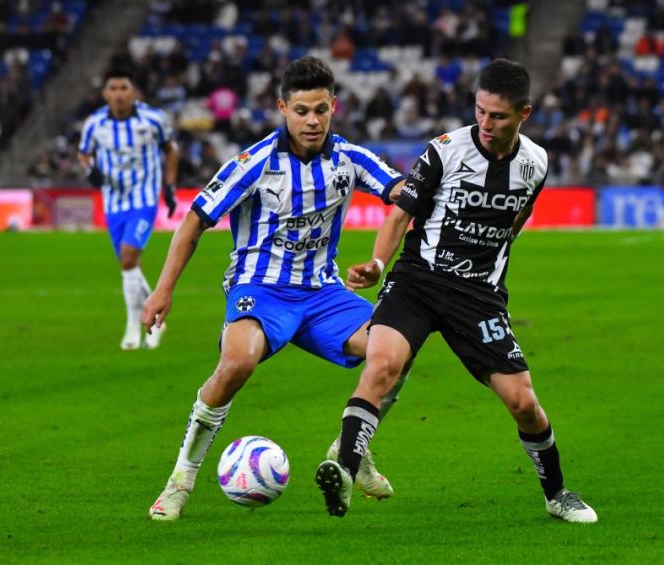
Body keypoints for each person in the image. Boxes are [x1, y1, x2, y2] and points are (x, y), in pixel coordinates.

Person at [315, 58, 598, 524]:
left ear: (523, 114)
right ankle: (342, 471)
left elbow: (516, 221)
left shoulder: (536, 163)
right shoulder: (445, 151)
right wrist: (378, 264)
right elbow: (399, 214)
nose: (486, 123)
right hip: (417, 282)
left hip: (477, 297)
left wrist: (490, 267)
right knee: (383, 362)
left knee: (523, 401)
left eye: (499, 116)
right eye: (480, 111)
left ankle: (557, 493)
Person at [143, 56, 410, 521]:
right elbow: (193, 221)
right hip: (261, 290)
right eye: (302, 110)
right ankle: (180, 481)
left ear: (334, 107)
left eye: (321, 110)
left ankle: (353, 447)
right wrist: (163, 291)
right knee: (237, 362)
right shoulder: (255, 163)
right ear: (282, 107)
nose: (312, 121)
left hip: (325, 295)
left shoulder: (350, 159)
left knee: (395, 348)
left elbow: (403, 193)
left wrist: (379, 260)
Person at [77, 68, 179, 350]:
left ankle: (133, 324)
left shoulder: (153, 119)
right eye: (114, 88)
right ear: (105, 93)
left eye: (124, 88)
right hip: (114, 202)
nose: (119, 94)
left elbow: (171, 149)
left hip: (145, 198)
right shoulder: (95, 124)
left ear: (133, 92)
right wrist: (89, 171)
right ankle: (156, 316)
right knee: (129, 266)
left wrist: (169, 187)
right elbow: (84, 153)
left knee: (128, 257)